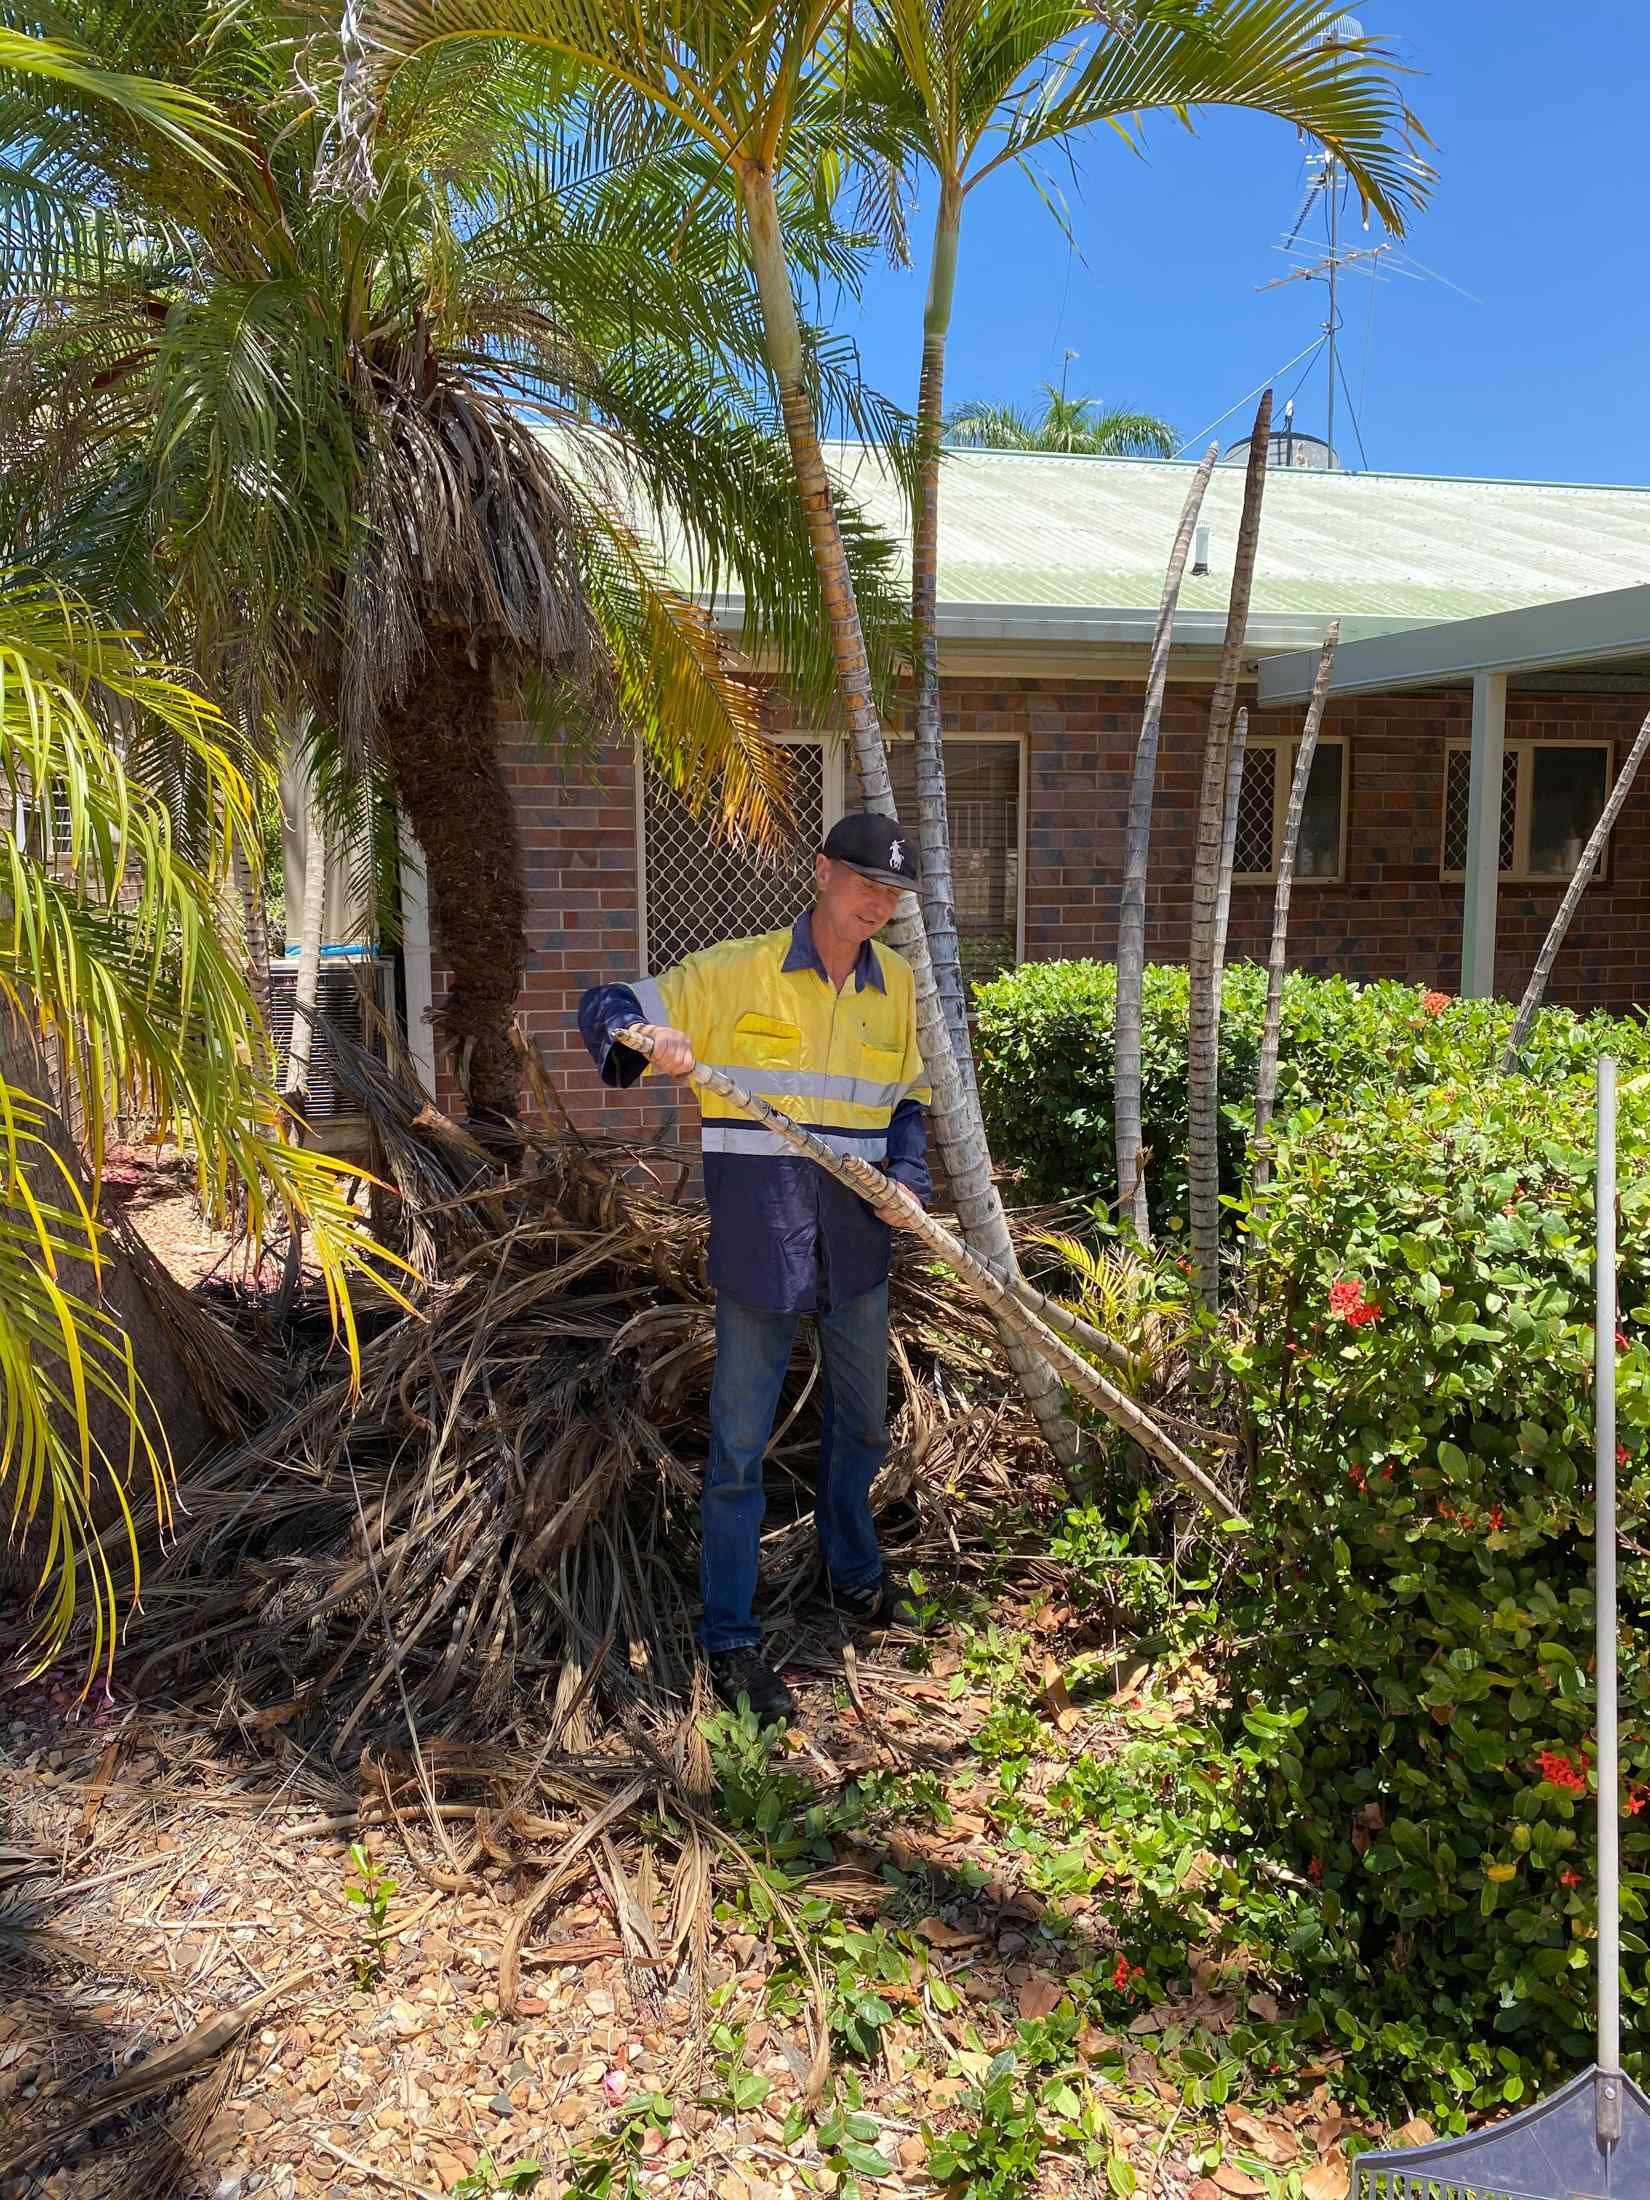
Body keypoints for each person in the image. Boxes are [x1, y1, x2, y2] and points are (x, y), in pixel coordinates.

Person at [579, 813, 931, 1721]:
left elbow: (908, 1098)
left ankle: (852, 1577)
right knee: (737, 1453)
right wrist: (644, 1036)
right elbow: (604, 1004)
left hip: (856, 1248)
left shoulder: (894, 987)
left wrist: (906, 1173)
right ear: (820, 872)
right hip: (760, 1251)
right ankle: (730, 1638)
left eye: (892, 892)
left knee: (861, 1430)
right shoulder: (733, 973)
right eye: (864, 882)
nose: (878, 902)